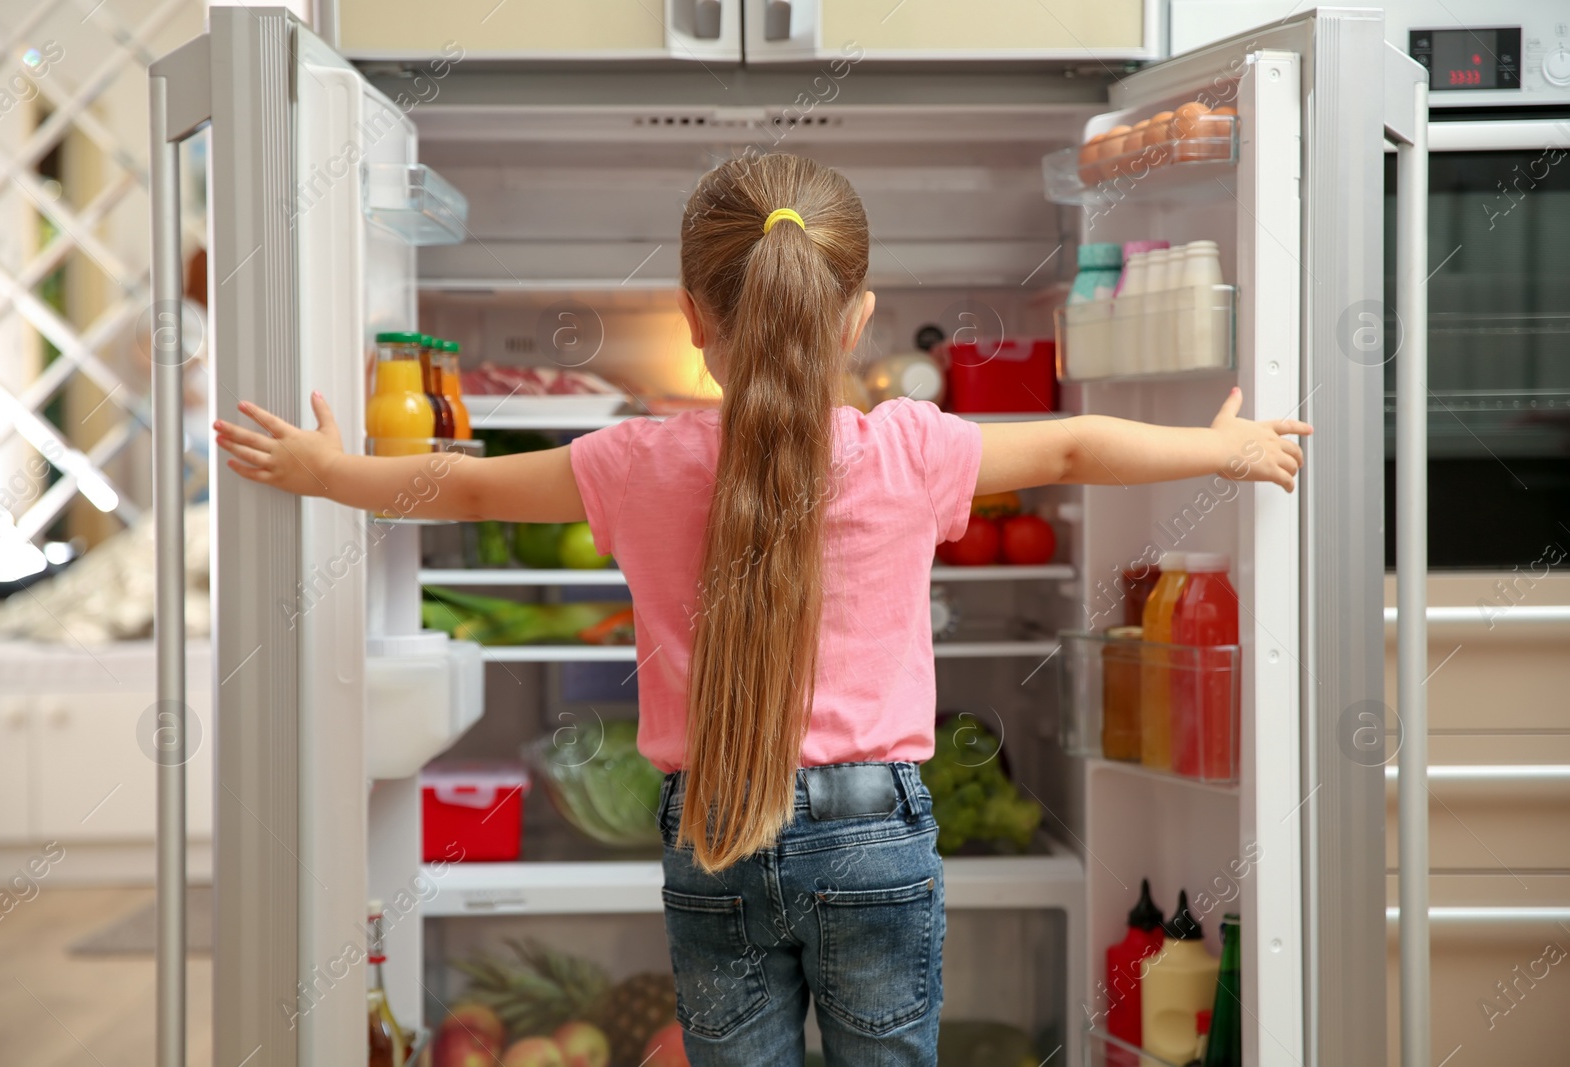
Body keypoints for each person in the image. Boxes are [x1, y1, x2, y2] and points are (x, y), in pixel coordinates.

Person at [213, 153, 1310, 1067]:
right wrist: (1229, 446)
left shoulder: (632, 459)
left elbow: (458, 484)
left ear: (693, 317)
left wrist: (324, 470)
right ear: (857, 317)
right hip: (872, 832)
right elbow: (1075, 443)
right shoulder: (908, 448)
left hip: (715, 831)